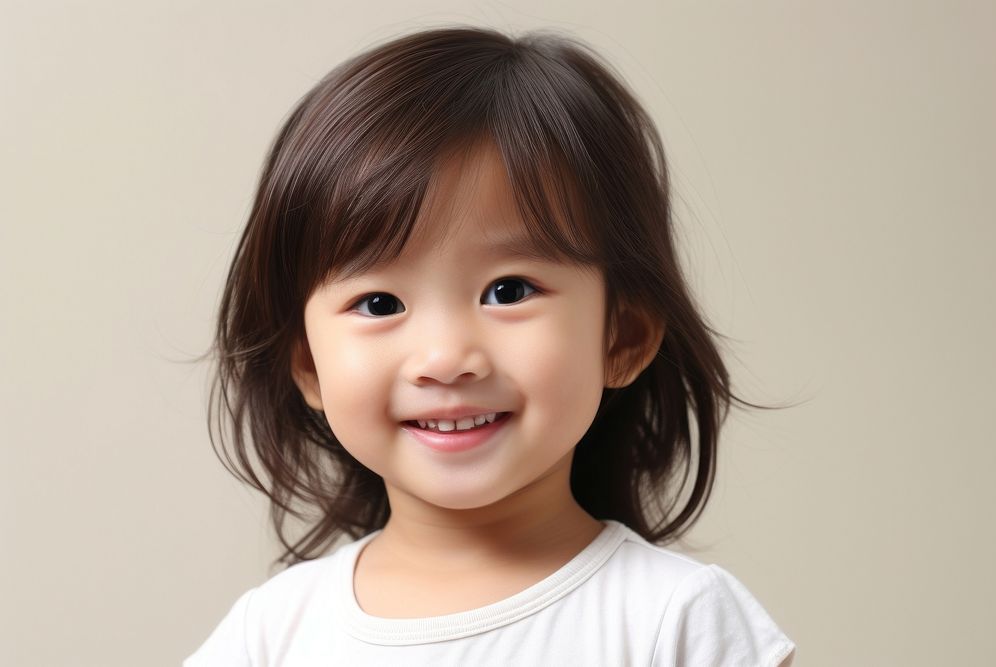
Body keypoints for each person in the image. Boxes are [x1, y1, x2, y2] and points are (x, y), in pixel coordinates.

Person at [185, 25, 796, 666]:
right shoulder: (270, 636)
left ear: (623, 336)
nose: (447, 357)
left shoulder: (677, 622)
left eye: (508, 291)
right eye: (379, 304)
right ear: (309, 365)